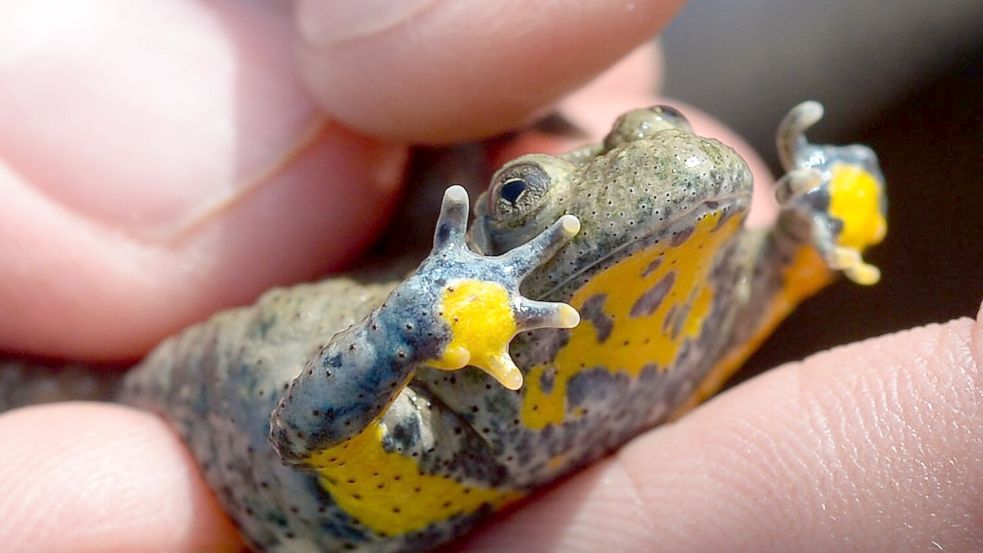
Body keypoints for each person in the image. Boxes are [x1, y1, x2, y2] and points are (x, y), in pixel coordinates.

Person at [0, 2, 978, 551]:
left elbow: (809, 248)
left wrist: (824, 202)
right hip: (157, 414)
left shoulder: (719, 300)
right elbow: (305, 426)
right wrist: (409, 329)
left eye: (661, 140)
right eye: (520, 200)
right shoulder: (433, 405)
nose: (668, 163)